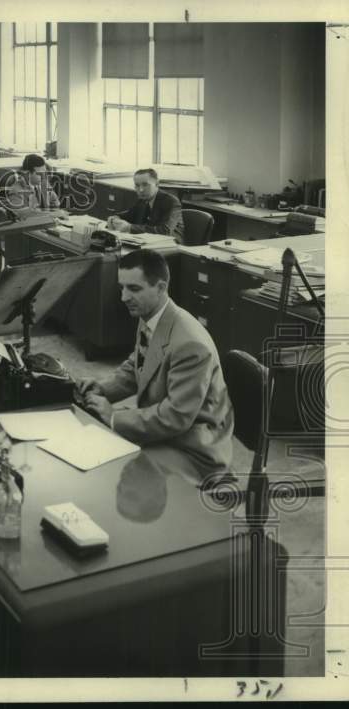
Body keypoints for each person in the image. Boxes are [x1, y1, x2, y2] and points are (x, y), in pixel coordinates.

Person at [79, 249, 234, 480]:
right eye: (122, 287)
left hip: (193, 448)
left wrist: (113, 416)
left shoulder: (190, 345)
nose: (123, 297)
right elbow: (138, 365)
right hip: (166, 431)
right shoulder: (151, 315)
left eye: (134, 289)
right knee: (95, 448)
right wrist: (103, 388)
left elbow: (175, 417)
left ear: (161, 288)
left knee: (121, 469)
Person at [106, 168, 184, 239]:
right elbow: (129, 214)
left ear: (157, 184)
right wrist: (115, 218)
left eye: (145, 185)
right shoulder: (143, 200)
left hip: (173, 246)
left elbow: (164, 231)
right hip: (148, 242)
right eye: (137, 185)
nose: (141, 190)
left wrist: (130, 228)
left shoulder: (171, 201)